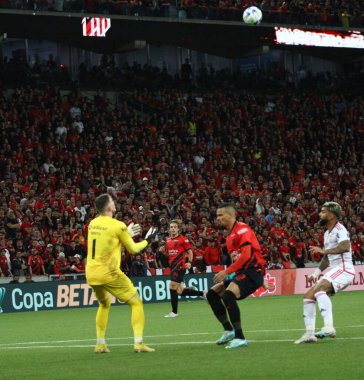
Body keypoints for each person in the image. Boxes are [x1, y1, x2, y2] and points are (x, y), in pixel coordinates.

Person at [86, 193, 155, 354]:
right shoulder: (118, 225)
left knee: (104, 304)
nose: (114, 203)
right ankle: (139, 343)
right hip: (109, 272)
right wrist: (147, 240)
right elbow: (133, 249)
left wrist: (125, 234)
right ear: (109, 207)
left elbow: (107, 241)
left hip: (91, 273)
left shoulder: (92, 223)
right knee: (136, 302)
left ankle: (100, 344)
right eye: (112, 201)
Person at [206, 204, 268, 349]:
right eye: (217, 215)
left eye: (221, 215)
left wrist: (226, 272)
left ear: (231, 216)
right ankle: (229, 330)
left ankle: (240, 337)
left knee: (228, 295)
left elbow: (246, 255)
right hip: (244, 273)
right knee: (212, 294)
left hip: (253, 271)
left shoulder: (242, 229)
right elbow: (238, 259)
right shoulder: (229, 236)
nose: (218, 218)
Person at [294, 202, 355, 344]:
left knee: (320, 289)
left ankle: (329, 327)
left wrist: (323, 250)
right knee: (308, 295)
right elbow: (327, 258)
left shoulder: (340, 229)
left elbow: (345, 247)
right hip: (335, 269)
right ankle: (309, 334)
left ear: (332, 215)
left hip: (344, 268)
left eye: (323, 211)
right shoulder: (327, 233)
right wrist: (315, 273)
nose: (320, 214)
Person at [164, 219, 205, 318]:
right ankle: (203, 293)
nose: (172, 229)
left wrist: (190, 263)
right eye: (171, 227)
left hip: (180, 267)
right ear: (169, 229)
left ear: (178, 229)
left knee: (172, 287)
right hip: (173, 267)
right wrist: (162, 251)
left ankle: (174, 312)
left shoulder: (183, 239)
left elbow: (190, 252)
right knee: (179, 291)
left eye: (174, 227)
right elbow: (169, 254)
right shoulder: (167, 240)